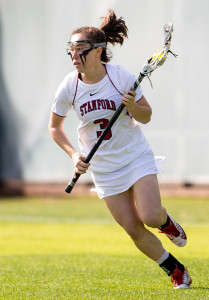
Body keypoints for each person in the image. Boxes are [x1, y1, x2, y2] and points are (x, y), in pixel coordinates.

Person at [48, 9, 192, 289]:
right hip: (103, 168)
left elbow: (146, 116)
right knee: (132, 228)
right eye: (71, 50)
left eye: (80, 50)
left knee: (150, 216)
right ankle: (176, 269)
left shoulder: (119, 77)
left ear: (98, 51)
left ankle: (166, 222)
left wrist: (132, 107)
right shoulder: (69, 86)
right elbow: (55, 127)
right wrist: (75, 155)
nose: (74, 56)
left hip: (134, 157)